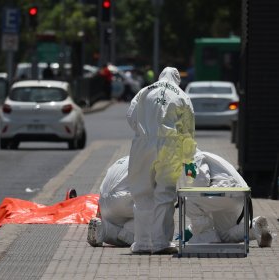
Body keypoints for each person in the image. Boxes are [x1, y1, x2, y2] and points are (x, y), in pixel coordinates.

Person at [87, 153, 272, 249]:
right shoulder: (199, 156)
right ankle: (251, 229)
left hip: (107, 203)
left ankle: (105, 229)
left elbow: (196, 185)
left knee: (189, 198)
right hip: (237, 196)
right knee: (151, 231)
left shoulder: (134, 155)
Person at [126, 66, 196, 254]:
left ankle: (142, 242)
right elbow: (188, 131)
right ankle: (160, 243)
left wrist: (143, 132)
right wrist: (188, 160)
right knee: (164, 193)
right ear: (176, 79)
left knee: (141, 192)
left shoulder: (144, 91)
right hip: (170, 146)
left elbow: (131, 116)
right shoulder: (182, 96)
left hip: (143, 144)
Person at [177, 149, 273, 247]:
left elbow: (201, 184)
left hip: (225, 193)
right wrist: (191, 229)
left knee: (186, 200)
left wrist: (196, 229)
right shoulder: (209, 156)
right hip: (238, 196)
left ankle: (207, 238)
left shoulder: (195, 158)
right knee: (224, 235)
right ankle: (253, 227)